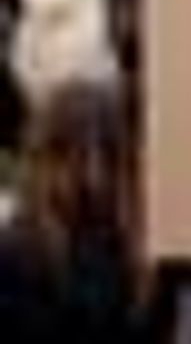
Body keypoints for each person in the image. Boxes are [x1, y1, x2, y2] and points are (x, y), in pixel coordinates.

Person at [0, 81, 165, 342]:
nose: (94, 176)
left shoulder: (134, 244)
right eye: (79, 157)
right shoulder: (20, 250)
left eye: (107, 156)